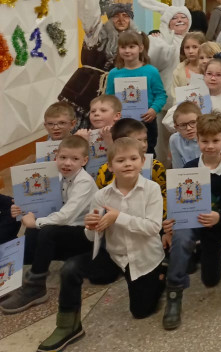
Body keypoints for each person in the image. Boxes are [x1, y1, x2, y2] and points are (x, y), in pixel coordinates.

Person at [37, 138, 165, 352]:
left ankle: (160, 277)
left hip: (144, 258)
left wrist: (118, 217)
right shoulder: (101, 195)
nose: (128, 164)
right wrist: (91, 227)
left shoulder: (151, 189)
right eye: (120, 160)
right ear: (110, 166)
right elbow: (91, 238)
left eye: (133, 159)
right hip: (114, 255)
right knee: (71, 268)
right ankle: (68, 326)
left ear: (142, 162)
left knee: (141, 312)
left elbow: (153, 228)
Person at [2, 136, 98, 314]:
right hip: (66, 233)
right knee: (34, 233)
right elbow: (42, 206)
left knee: (46, 230)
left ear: (84, 161)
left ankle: (35, 287)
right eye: (63, 157)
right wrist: (21, 210)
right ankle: (9, 282)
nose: (67, 163)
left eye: (75, 159)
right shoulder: (56, 177)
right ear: (56, 157)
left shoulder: (84, 182)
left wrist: (35, 222)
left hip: (85, 236)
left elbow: (65, 217)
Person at [161, 112, 221, 329]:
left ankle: (203, 253)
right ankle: (174, 293)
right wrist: (169, 224)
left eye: (215, 140)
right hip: (191, 223)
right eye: (204, 141)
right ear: (197, 140)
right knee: (181, 241)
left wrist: (219, 216)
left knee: (210, 280)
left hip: (216, 227)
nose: (210, 146)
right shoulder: (189, 168)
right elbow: (177, 202)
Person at [60, 0, 142, 129]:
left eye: (125, 16)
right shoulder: (97, 33)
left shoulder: (139, 39)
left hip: (121, 92)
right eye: (116, 16)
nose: (121, 20)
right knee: (80, 132)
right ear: (109, 19)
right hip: (86, 90)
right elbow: (89, 11)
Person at [105, 30, 167, 156]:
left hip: (146, 120)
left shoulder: (151, 71)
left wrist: (154, 109)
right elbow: (109, 99)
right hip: (122, 122)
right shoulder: (114, 73)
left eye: (131, 47)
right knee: (123, 152)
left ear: (141, 48)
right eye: (123, 47)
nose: (127, 51)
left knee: (147, 152)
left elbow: (161, 95)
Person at [93, 119, 168, 219]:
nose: (143, 145)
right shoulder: (104, 170)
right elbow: (101, 202)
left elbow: (164, 198)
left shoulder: (156, 167)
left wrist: (162, 220)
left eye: (145, 140)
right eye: (138, 141)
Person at [168, 101, 201, 169]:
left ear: (200, 121)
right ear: (176, 128)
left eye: (193, 122)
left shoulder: (208, 136)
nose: (189, 128)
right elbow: (177, 168)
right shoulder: (174, 140)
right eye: (183, 125)